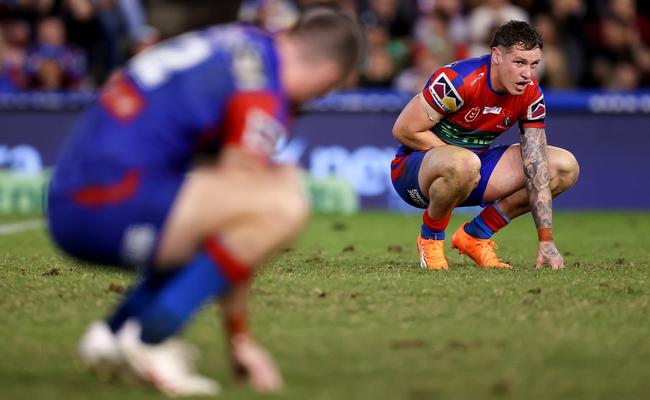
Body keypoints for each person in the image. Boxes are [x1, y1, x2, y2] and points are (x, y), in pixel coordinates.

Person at [47, 6, 362, 397]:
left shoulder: (246, 41)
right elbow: (244, 214)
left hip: (78, 192)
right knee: (285, 198)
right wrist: (239, 338)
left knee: (245, 198)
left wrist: (238, 337)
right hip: (100, 204)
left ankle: (115, 333)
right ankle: (153, 338)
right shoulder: (262, 91)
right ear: (331, 77)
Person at [390, 20, 579, 271]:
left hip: (474, 168)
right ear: (497, 56)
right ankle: (430, 238)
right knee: (463, 163)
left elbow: (536, 164)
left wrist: (546, 240)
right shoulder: (458, 81)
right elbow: (404, 130)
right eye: (519, 63)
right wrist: (456, 159)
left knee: (563, 166)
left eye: (534, 65)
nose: (527, 74)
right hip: (415, 172)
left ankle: (476, 235)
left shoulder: (531, 94)